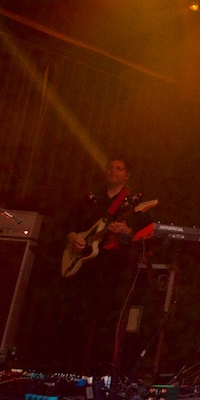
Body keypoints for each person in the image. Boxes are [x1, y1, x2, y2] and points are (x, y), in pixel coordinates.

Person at [60, 157, 155, 374]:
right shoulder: (91, 198)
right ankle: (71, 369)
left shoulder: (133, 203)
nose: (113, 171)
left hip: (114, 270)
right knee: (77, 319)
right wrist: (74, 238)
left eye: (119, 168)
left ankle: (101, 373)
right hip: (84, 268)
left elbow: (146, 235)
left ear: (127, 175)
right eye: (110, 167)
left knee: (107, 322)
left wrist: (127, 231)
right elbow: (69, 224)